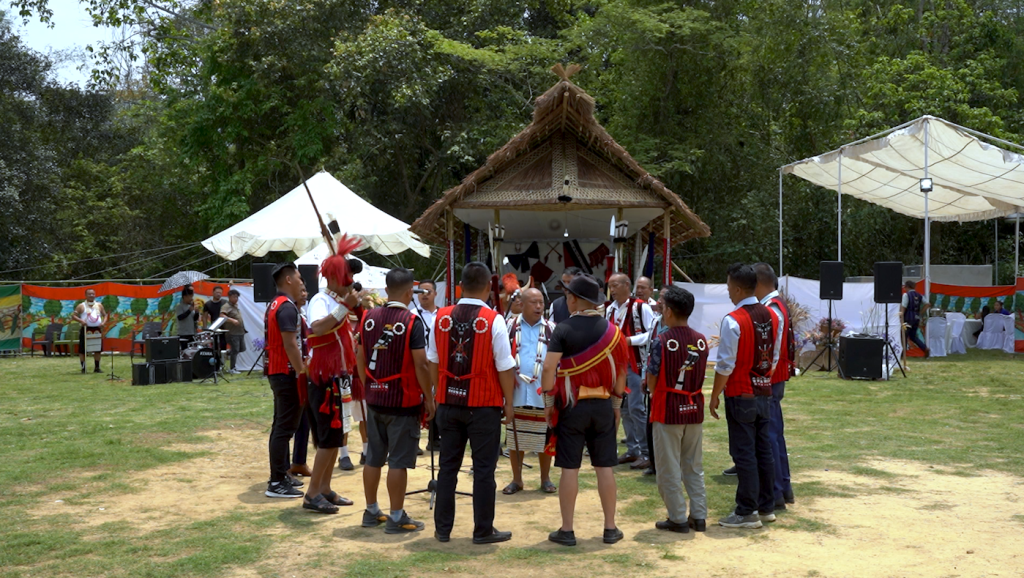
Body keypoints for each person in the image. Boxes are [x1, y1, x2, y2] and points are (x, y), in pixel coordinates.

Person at [427, 261, 516, 544]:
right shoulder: (493, 319)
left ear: (460, 286)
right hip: (483, 404)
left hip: (448, 402)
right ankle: (482, 529)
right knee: (483, 470)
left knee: (447, 468)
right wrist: (509, 404)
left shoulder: (440, 317)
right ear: (489, 288)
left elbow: (433, 360)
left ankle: (443, 530)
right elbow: (504, 366)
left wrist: (438, 391)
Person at [542, 274, 630, 547]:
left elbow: (548, 369)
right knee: (605, 467)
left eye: (568, 295)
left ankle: (567, 530)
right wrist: (616, 408)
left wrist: (548, 405)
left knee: (569, 468)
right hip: (603, 405)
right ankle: (610, 528)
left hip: (572, 407)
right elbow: (621, 375)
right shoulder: (614, 333)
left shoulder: (563, 329)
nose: (566, 300)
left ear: (575, 299)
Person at [357, 268, 434, 533]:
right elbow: (421, 365)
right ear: (410, 291)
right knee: (398, 461)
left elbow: (359, 356)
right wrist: (430, 398)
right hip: (402, 401)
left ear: (386, 289)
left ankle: (370, 510)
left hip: (374, 399)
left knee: (373, 458)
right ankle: (397, 516)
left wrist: (369, 383)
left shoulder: (368, 317)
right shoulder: (411, 322)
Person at [708, 263, 782, 529]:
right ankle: (766, 506)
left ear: (738, 289)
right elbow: (773, 357)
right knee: (763, 450)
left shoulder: (733, 319)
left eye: (729, 288)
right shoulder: (774, 316)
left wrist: (715, 394)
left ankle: (746, 511)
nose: (729, 293)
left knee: (744, 454)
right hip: (764, 390)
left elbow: (725, 365)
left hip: (740, 392)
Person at [304, 245, 362, 513]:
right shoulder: (320, 300)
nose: (349, 282)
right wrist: (344, 309)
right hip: (323, 379)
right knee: (327, 439)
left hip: (338, 377)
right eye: (345, 277)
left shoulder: (335, 301)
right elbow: (316, 328)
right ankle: (312, 493)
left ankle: (325, 489)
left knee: (336, 436)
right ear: (332, 278)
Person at [646, 285, 708, 533]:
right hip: (693, 407)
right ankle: (699, 515)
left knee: (668, 466)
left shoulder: (661, 341)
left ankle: (678, 517)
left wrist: (656, 391)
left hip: (668, 408)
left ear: (669, 312)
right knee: (693, 465)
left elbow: (652, 379)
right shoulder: (701, 340)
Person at [503, 288, 556, 495]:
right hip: (516, 390)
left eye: (541, 303)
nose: (538, 307)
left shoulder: (552, 328)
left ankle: (545, 478)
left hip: (542, 391)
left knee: (545, 436)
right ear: (521, 305)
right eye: (533, 303)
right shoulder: (509, 326)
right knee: (515, 438)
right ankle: (517, 480)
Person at [753, 263, 796, 509]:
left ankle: (776, 490)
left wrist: (764, 377)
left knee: (769, 436)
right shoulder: (776, 306)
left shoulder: (771, 309)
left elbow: (775, 349)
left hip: (770, 380)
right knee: (774, 435)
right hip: (774, 378)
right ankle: (783, 487)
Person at [263, 262, 307, 499]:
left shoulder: (275, 304)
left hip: (278, 371)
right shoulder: (287, 307)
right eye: (298, 277)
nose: (302, 281)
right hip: (286, 372)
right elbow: (290, 343)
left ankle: (282, 473)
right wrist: (301, 370)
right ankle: (277, 481)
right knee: (284, 428)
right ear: (288, 280)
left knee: (281, 426)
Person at [606, 273, 655, 471]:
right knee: (623, 408)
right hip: (617, 365)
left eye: (615, 285)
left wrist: (628, 341)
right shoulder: (610, 309)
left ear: (627, 285)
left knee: (636, 407)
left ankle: (645, 451)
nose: (612, 289)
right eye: (610, 285)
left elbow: (652, 332)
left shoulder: (640, 307)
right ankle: (633, 448)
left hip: (635, 363)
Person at [289, 282, 314, 479]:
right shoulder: (288, 312)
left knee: (304, 419)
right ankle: (282, 468)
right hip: (292, 372)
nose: (305, 294)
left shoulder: (304, 313)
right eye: (302, 290)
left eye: (306, 290)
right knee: (289, 421)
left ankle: (299, 461)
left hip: (305, 369)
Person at [73, 288, 107, 373]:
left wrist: (103, 323)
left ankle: (97, 367)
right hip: (85, 329)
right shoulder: (81, 306)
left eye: (93, 294)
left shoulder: (99, 305)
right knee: (82, 349)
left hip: (97, 329)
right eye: (89, 294)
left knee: (97, 348)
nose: (91, 295)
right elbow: (74, 316)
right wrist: (81, 321)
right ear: (86, 295)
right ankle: (83, 368)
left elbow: (105, 315)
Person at [219, 289, 247, 373]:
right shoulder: (226, 306)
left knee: (241, 349)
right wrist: (232, 320)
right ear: (229, 297)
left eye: (237, 297)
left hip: (240, 332)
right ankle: (232, 368)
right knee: (235, 350)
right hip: (232, 333)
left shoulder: (235, 306)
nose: (236, 299)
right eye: (234, 297)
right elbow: (222, 316)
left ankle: (227, 353)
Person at [901, 280, 930, 357]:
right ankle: (924, 348)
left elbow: (904, 307)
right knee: (913, 336)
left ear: (907, 287)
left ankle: (901, 354)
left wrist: (901, 316)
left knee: (904, 335)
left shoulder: (906, 295)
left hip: (908, 317)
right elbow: (927, 304)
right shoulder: (919, 295)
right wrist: (920, 312)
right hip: (916, 317)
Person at [175, 287, 198, 352]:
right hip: (183, 333)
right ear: (184, 297)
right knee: (184, 351)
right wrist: (189, 311)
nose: (191, 298)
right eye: (190, 296)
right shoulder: (179, 306)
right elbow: (180, 317)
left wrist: (197, 312)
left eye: (192, 296)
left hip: (192, 333)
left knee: (192, 351)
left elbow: (194, 319)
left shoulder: (190, 306)